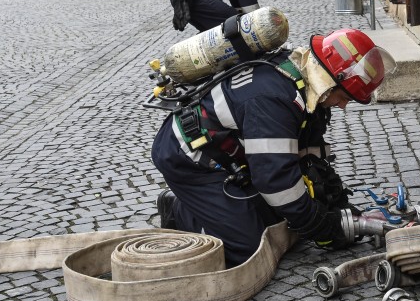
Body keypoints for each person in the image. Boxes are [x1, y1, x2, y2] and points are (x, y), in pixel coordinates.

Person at [152, 28, 389, 267]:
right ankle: (180, 210)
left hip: (229, 155)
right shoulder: (273, 99)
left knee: (277, 217)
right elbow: (276, 182)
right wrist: (322, 227)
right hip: (188, 159)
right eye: (345, 97)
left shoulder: (307, 86)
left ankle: (216, 205)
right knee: (249, 248)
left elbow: (309, 157)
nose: (344, 106)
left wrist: (342, 210)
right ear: (330, 81)